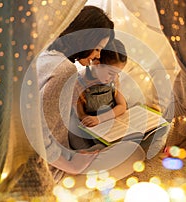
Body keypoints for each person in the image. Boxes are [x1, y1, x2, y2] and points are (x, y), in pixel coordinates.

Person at [36, 5, 145, 184]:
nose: (97, 55)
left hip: (58, 155)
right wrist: (71, 165)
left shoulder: (45, 54)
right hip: (50, 173)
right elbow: (38, 135)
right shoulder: (65, 70)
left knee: (100, 147)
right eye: (97, 48)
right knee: (135, 152)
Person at [69, 39, 128, 150]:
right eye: (110, 73)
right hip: (89, 124)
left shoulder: (114, 79)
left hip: (108, 118)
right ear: (97, 64)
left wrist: (101, 119)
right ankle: (89, 151)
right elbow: (81, 115)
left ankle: (105, 148)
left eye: (116, 74)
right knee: (73, 130)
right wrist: (93, 120)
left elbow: (122, 106)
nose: (113, 77)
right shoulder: (79, 82)